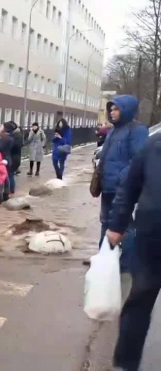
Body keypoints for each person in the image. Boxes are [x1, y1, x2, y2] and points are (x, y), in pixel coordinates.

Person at [106, 130, 161, 371]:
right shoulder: (153, 146)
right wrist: (117, 224)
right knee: (139, 300)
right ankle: (125, 364)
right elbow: (129, 187)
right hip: (153, 241)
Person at [99, 95, 149, 273]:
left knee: (124, 226)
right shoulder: (113, 131)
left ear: (126, 109)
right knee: (106, 223)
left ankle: (127, 264)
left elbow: (137, 160)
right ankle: (103, 258)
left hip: (122, 189)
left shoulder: (137, 130)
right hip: (107, 186)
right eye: (111, 109)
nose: (112, 112)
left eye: (116, 109)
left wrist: (122, 178)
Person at [0, 123, 15, 200]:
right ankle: (5, 194)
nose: (0, 128)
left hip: (3, 158)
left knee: (3, 177)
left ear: (5, 128)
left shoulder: (4, 138)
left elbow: (0, 149)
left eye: (2, 126)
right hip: (7, 158)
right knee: (6, 177)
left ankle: (4, 194)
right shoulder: (10, 137)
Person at [51, 115, 73, 180]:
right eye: (59, 123)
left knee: (61, 162)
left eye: (61, 123)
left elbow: (68, 141)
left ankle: (60, 176)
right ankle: (58, 174)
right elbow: (52, 140)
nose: (60, 125)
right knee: (54, 161)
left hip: (63, 148)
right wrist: (55, 137)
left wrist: (60, 137)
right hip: (56, 147)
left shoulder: (68, 131)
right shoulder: (57, 130)